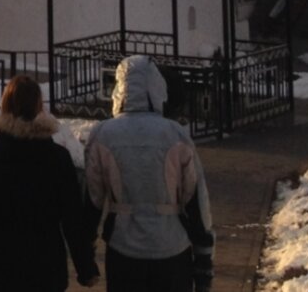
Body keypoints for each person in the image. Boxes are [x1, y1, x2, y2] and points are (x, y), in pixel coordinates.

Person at [0, 74, 100, 292]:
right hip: (48, 266)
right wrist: (86, 268)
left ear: (6, 105)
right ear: (39, 107)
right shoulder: (58, 158)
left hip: (2, 265)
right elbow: (72, 219)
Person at [82, 57, 213, 292]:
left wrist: (85, 250)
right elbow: (195, 198)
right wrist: (203, 257)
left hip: (123, 248)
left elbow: (92, 198)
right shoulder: (175, 134)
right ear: (157, 87)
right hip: (172, 247)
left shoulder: (103, 134)